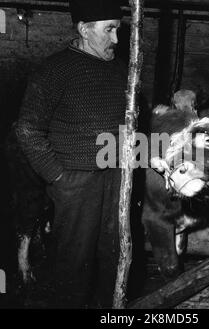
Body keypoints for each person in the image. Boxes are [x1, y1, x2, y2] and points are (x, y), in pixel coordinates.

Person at [15, 0, 127, 308]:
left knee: (113, 258)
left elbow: (132, 127)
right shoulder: (54, 70)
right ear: (84, 29)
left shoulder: (120, 71)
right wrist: (59, 177)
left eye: (118, 29)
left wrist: (149, 157)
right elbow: (27, 129)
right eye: (111, 30)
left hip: (117, 178)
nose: (117, 39)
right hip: (76, 183)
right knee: (73, 265)